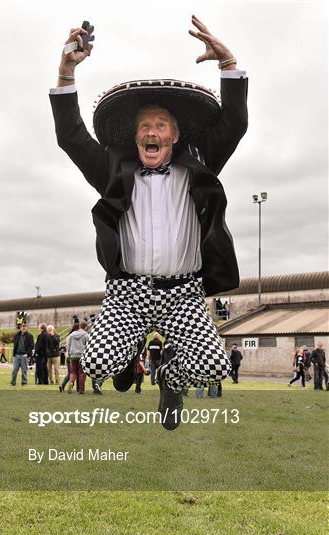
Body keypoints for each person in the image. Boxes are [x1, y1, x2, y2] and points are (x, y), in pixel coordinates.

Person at [50, 15, 248, 430]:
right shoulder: (112, 168)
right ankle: (126, 355)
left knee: (213, 368)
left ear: (175, 136)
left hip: (185, 294)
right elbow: (71, 136)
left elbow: (234, 124)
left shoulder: (199, 162)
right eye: (144, 126)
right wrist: (67, 71)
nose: (151, 132)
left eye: (160, 125)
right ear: (135, 136)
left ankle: (170, 378)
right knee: (97, 363)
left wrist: (229, 65)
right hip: (128, 292)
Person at [67, 321, 89, 394]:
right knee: (81, 373)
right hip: (82, 355)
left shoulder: (71, 335)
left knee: (73, 372)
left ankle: (71, 382)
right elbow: (88, 345)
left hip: (73, 355)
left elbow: (68, 346)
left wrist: (69, 355)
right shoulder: (86, 335)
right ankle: (81, 389)